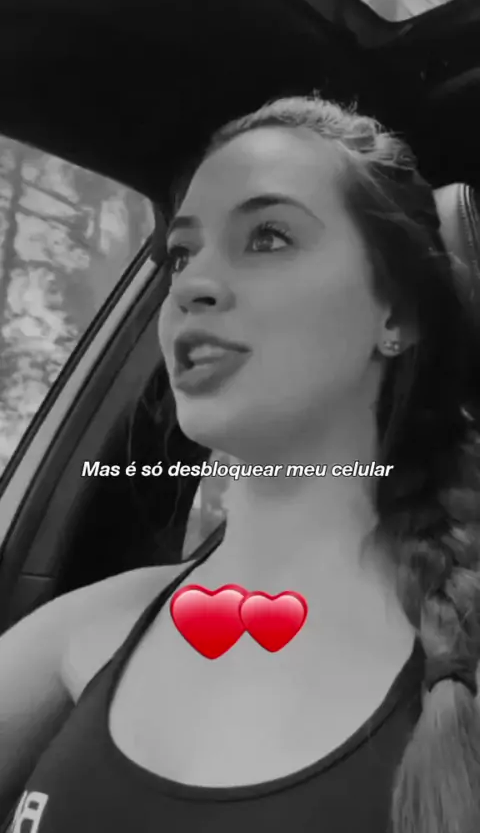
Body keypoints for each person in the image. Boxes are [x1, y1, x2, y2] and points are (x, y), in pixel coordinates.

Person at [1, 93, 480, 833]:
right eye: (181, 253)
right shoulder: (86, 627)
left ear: (396, 314)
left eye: (268, 237)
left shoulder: (460, 651)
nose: (190, 285)